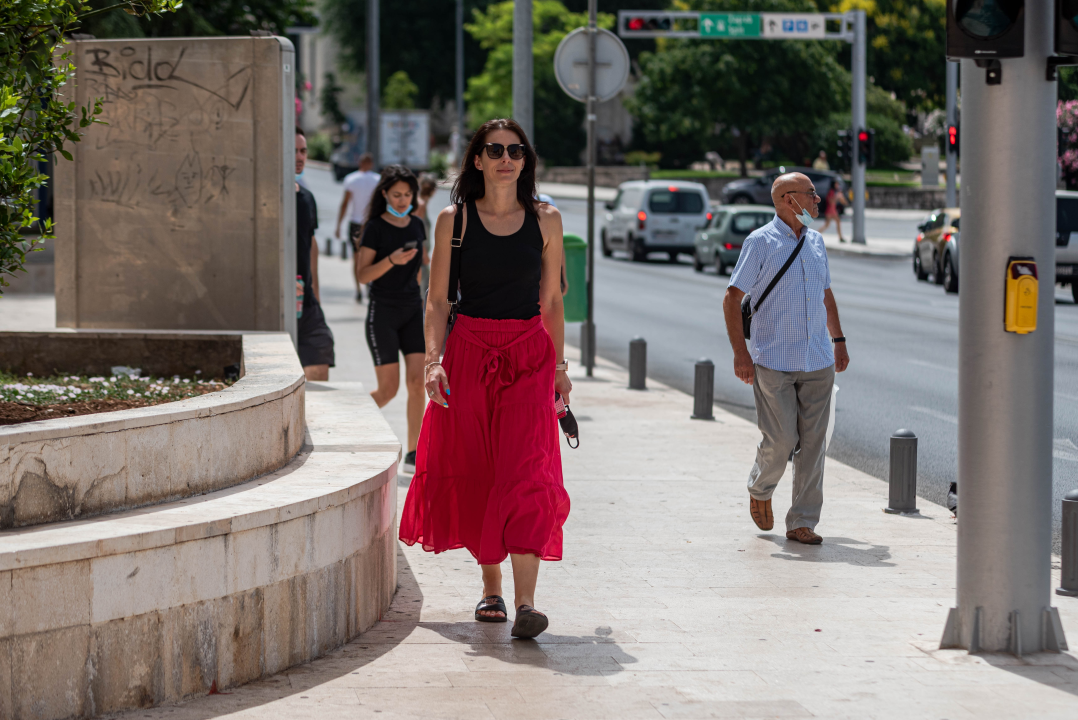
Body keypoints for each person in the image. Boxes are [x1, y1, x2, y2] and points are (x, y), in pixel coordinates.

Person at [399, 118, 571, 639]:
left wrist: (560, 368)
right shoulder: (455, 220)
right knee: (480, 469)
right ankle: (490, 586)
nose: (505, 158)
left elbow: (554, 302)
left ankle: (526, 603)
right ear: (477, 159)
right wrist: (434, 362)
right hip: (470, 351)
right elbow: (435, 302)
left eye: (515, 151)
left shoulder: (547, 219)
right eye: (494, 150)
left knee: (525, 471)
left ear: (526, 161)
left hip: (527, 354)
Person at [720, 172, 850, 545]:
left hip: (818, 358)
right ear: (787, 199)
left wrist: (838, 340)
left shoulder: (817, 242)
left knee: (813, 444)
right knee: (780, 440)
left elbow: (826, 295)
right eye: (810, 194)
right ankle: (761, 488)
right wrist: (740, 354)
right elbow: (732, 298)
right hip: (773, 359)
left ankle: (802, 522)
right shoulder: (760, 242)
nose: (816, 199)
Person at [355, 165, 430, 467]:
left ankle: (414, 451)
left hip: (412, 310)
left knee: (417, 383)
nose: (402, 200)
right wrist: (391, 260)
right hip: (382, 313)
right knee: (388, 390)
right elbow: (362, 275)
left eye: (407, 195)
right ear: (384, 193)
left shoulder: (417, 224)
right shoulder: (374, 228)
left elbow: (423, 265)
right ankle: (349, 421)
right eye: (396, 194)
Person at [295, 128, 336, 380]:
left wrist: (316, 296)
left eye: (304, 150)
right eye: (295, 151)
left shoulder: (307, 198)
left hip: (307, 301)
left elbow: (311, 246)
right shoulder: (270, 197)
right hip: (279, 302)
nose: (300, 156)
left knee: (320, 359)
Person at [336, 153, 381, 302]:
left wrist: (338, 225)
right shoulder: (378, 180)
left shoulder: (351, 179)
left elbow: (345, 203)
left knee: (356, 259)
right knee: (374, 258)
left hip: (356, 223)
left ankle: (358, 289)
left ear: (360, 163)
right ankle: (369, 286)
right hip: (372, 223)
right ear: (371, 163)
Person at [415, 174, 439, 299]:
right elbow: (417, 231)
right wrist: (424, 254)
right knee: (422, 293)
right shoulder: (421, 205)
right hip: (419, 255)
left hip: (419, 253)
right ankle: (421, 319)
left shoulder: (419, 203)